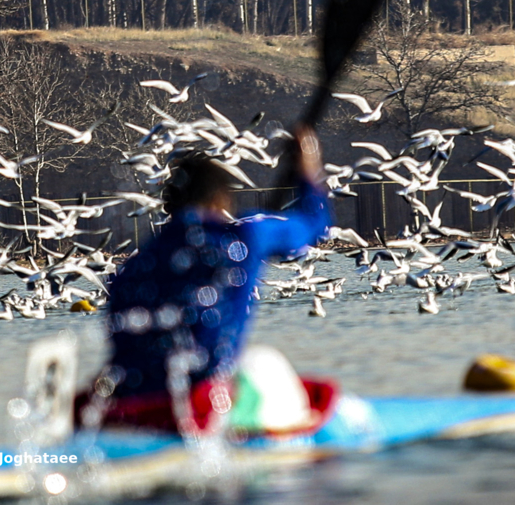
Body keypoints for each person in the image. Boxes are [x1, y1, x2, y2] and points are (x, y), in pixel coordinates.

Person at [80, 126, 331, 434]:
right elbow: (315, 225)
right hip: (202, 405)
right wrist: (309, 168)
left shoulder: (136, 265)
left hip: (133, 403)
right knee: (265, 362)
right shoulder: (243, 235)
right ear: (219, 201)